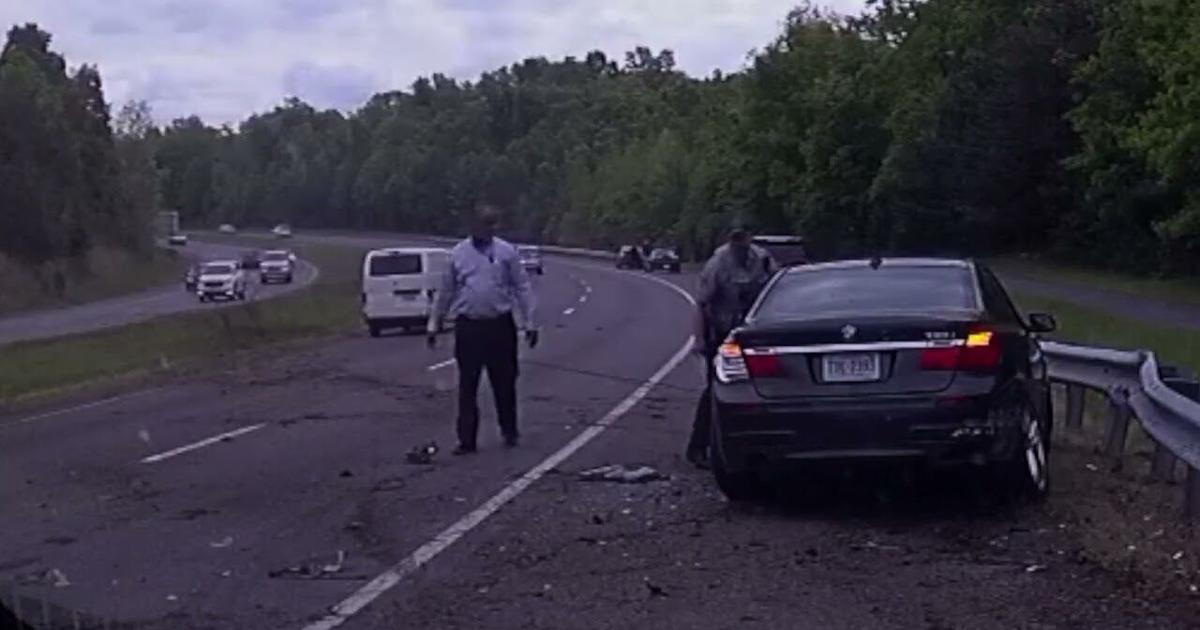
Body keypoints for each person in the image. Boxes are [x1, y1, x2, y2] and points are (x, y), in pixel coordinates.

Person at [428, 205, 538, 455]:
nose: (488, 229)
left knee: (505, 382)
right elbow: (446, 291)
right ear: (473, 227)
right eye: (484, 224)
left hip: (500, 325)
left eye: (492, 224)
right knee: (468, 384)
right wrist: (435, 322)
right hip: (469, 326)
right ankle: (467, 439)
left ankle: (509, 429)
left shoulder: (506, 252)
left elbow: (522, 287)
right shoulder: (458, 254)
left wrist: (530, 323)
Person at [686, 225, 777, 468]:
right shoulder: (717, 264)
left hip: (754, 333)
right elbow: (701, 303)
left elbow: (774, 288)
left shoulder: (762, 259)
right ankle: (698, 446)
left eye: (744, 239)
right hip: (722, 332)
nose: (741, 245)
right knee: (716, 389)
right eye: (736, 240)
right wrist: (699, 338)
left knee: (760, 389)